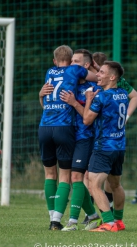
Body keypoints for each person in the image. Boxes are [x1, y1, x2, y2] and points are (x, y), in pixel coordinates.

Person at [38, 45, 97, 231]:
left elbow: (46, 100)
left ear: (54, 61)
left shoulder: (49, 72)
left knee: (50, 174)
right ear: (71, 60)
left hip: (44, 127)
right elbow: (96, 77)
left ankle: (86, 214)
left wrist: (40, 94)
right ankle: (55, 220)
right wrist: (89, 68)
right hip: (64, 129)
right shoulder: (75, 70)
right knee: (66, 177)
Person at [81, 52, 137, 225]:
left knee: (94, 185)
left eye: (101, 73)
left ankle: (108, 223)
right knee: (115, 185)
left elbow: (86, 120)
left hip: (104, 147)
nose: (97, 75)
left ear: (112, 77)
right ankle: (119, 221)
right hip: (119, 146)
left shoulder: (101, 96)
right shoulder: (122, 94)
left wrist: (87, 100)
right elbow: (135, 97)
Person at [58, 49, 102, 231]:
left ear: (85, 66)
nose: (70, 65)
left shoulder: (95, 90)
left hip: (86, 137)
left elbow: (88, 118)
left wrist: (75, 103)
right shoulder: (71, 86)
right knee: (73, 179)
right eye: (70, 61)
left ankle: (72, 222)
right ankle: (92, 216)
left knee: (77, 177)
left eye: (75, 61)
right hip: (69, 136)